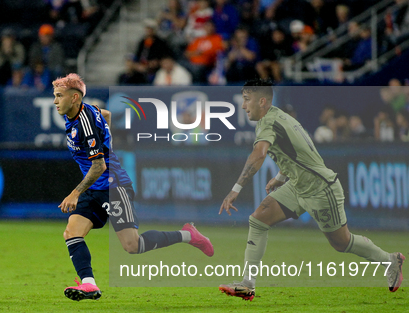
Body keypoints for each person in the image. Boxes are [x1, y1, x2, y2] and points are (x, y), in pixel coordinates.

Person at [218, 79, 404, 300]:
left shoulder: (270, 122)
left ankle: (390, 261)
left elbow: (259, 155)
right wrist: (280, 177)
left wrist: (235, 189)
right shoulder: (280, 118)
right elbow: (299, 152)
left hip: (320, 189)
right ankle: (248, 284)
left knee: (341, 242)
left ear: (262, 101)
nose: (243, 106)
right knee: (258, 220)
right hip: (298, 186)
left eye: (246, 100)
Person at [52, 73, 214, 301]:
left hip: (114, 186)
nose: (55, 101)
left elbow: (98, 166)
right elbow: (105, 114)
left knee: (132, 245)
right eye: (55, 96)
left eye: (59, 96)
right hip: (94, 189)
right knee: (72, 231)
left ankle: (188, 235)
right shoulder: (80, 112)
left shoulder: (85, 123)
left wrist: (75, 192)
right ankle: (89, 284)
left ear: (75, 97)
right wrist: (106, 135)